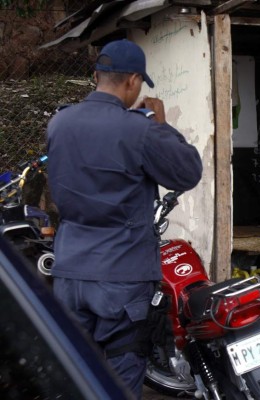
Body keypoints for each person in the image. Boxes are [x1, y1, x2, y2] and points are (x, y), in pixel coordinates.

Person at [46, 39, 203, 398]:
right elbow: (187, 171)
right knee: (120, 375)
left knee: (75, 371)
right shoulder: (139, 129)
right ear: (133, 81)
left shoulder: (59, 123)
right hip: (121, 277)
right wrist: (159, 123)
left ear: (96, 75)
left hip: (70, 272)